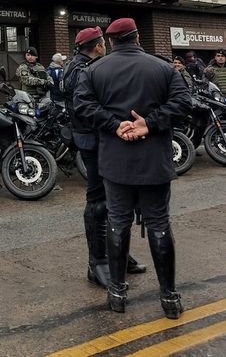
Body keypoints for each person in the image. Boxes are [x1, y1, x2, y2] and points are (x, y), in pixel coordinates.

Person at [74, 18, 192, 318]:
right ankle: (169, 298)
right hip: (154, 161)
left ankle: (117, 294)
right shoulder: (164, 68)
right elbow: (183, 104)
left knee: (118, 222)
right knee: (159, 223)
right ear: (137, 37)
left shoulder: (94, 70)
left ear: (110, 42)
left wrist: (115, 126)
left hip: (115, 163)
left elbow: (83, 106)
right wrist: (148, 124)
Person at [64, 26, 145, 290]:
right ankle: (97, 261)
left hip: (99, 138)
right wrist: (115, 124)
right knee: (99, 200)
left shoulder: (83, 65)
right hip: (94, 140)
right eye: (103, 44)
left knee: (115, 200)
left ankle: (116, 254)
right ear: (98, 46)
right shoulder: (82, 70)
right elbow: (87, 109)